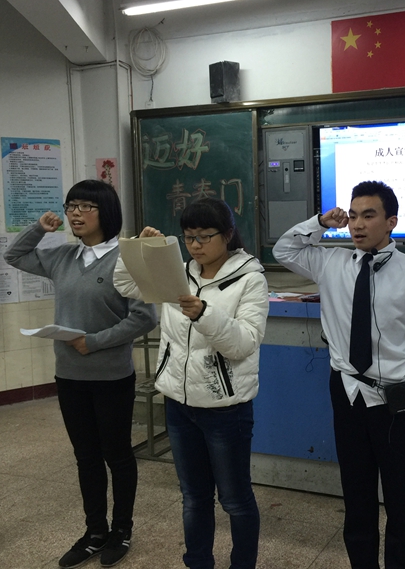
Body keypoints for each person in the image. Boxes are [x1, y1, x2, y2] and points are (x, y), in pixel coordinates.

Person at [273, 180, 405, 569]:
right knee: (356, 496)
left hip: (394, 400)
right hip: (347, 393)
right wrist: (321, 222)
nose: (357, 224)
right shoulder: (331, 263)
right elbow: (283, 249)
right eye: (352, 216)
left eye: (369, 216)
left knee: (401, 500)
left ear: (391, 222)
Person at [4, 180, 158, 568]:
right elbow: (14, 255)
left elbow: (144, 318)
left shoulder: (126, 258)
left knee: (116, 455)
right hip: (70, 376)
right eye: (71, 205)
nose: (75, 213)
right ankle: (94, 532)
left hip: (111, 376)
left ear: (106, 212)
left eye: (86, 206)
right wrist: (40, 228)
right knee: (85, 457)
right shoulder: (63, 257)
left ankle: (121, 530)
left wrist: (95, 341)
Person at [114, 198, 269, 569]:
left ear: (227, 235)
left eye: (204, 236)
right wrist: (137, 248)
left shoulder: (250, 279)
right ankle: (198, 562)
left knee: (234, 499)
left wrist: (204, 314)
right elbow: (124, 282)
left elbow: (244, 343)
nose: (196, 245)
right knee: (194, 497)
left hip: (224, 409)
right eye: (188, 237)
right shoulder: (176, 273)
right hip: (179, 404)